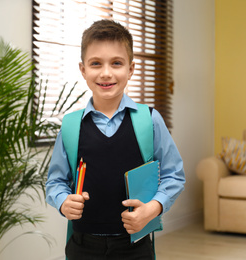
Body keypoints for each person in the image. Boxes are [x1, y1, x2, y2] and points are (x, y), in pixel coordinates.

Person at [45, 19, 185, 260]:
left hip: (135, 245)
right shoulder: (70, 125)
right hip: (82, 245)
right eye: (96, 63)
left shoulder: (150, 120)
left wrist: (152, 209)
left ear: (130, 69)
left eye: (117, 63)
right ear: (83, 70)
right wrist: (62, 202)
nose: (106, 73)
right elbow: (55, 182)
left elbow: (174, 175)